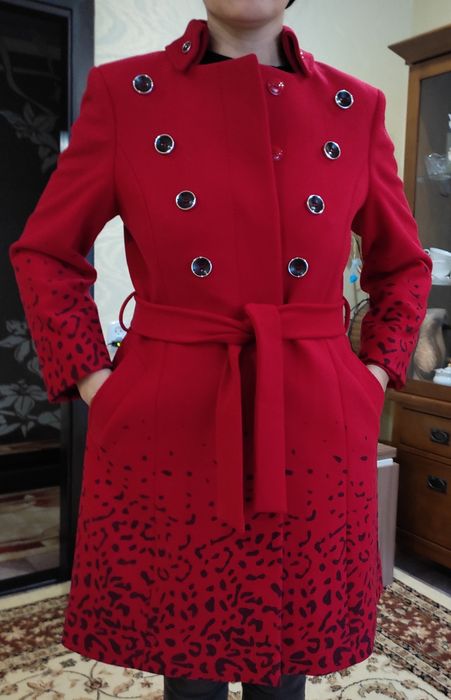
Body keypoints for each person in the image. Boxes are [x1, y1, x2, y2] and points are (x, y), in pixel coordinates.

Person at [9, 0, 432, 699]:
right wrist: (93, 380)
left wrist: (373, 376)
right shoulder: (125, 93)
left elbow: (404, 266)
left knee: (289, 656)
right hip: (173, 418)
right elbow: (46, 252)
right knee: (189, 656)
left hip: (311, 418)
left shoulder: (355, 106)